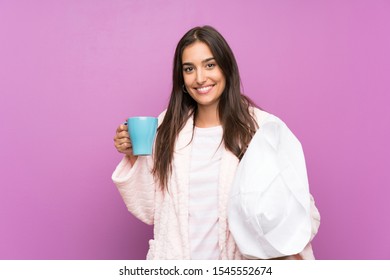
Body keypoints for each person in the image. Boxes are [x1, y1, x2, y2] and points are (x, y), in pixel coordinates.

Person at [112, 25, 320, 260]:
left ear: (226, 67)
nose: (200, 78)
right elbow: (151, 210)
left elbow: (295, 210)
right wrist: (133, 155)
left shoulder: (263, 129)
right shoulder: (166, 127)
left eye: (210, 65)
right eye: (189, 69)